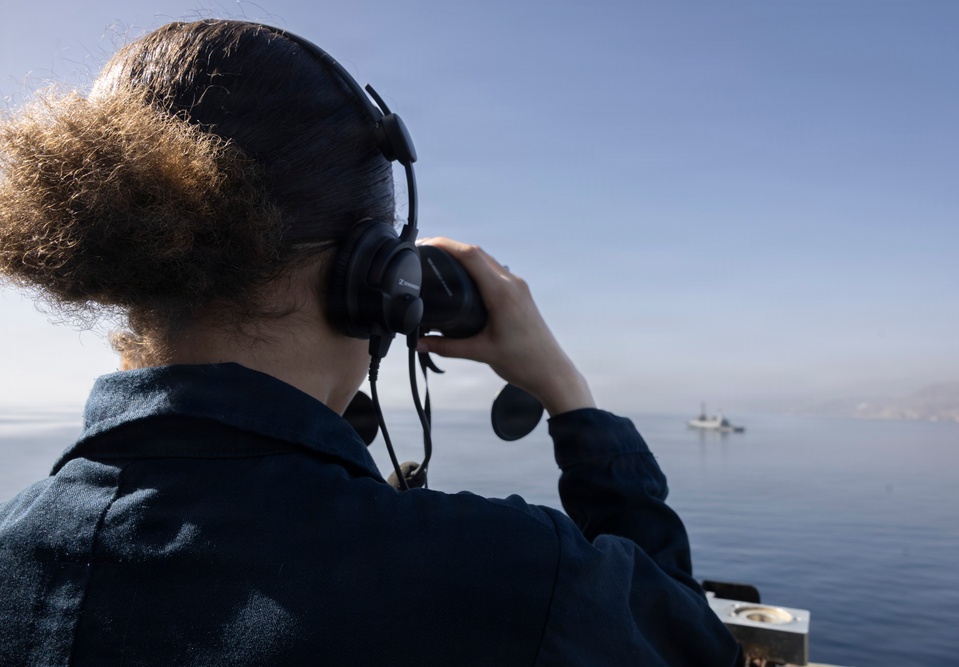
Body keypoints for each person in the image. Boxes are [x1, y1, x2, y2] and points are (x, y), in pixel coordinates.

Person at [0, 19, 743, 666]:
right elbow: (693, 642)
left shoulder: (14, 544)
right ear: (374, 279)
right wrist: (570, 397)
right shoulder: (504, 573)